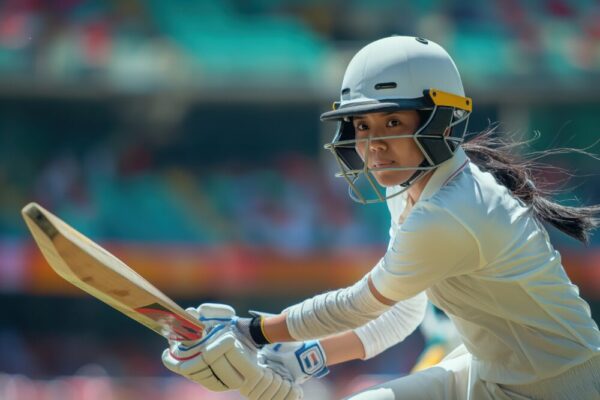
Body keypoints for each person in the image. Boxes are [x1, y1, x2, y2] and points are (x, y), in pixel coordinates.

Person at [161, 36, 600, 399]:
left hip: (560, 389)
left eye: (392, 123)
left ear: (441, 121)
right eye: (362, 126)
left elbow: (363, 304)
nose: (373, 145)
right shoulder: (407, 186)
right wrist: (307, 355)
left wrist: (253, 331)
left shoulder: (451, 211)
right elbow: (401, 313)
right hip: (491, 372)